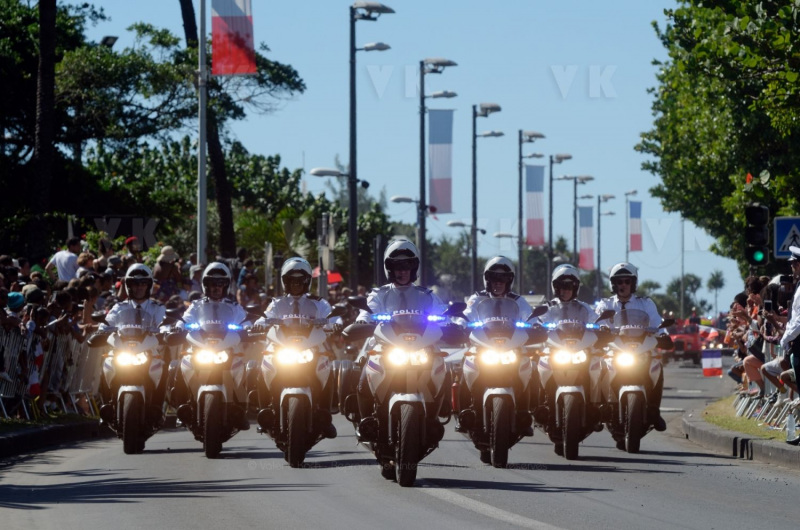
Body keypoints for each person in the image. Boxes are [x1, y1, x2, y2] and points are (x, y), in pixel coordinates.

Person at [355, 239, 447, 438]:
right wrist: (363, 321)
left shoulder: (427, 295)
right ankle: (365, 421)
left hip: (421, 347)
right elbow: (367, 312)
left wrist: (452, 321)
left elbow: (443, 313)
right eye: (397, 266)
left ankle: (433, 417)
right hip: (387, 347)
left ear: (414, 267)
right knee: (363, 374)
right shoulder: (379, 294)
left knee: (442, 369)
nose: (402, 270)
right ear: (390, 268)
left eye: (407, 265)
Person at [253, 257, 339, 438]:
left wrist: (336, 323)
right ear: (285, 282)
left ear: (307, 281)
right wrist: (259, 324)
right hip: (282, 348)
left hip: (311, 349)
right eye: (292, 280)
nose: (296, 284)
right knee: (263, 366)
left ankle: (325, 415)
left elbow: (332, 316)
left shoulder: (319, 302)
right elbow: (264, 317)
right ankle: (265, 410)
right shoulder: (276, 303)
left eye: (300, 280)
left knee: (327, 366)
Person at [457, 256, 534, 435]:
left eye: (503, 279)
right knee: (465, 367)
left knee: (530, 370)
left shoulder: (518, 300)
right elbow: (467, 314)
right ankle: (464, 413)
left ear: (509, 280)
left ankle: (524, 414)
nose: (498, 283)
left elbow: (530, 316)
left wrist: (535, 324)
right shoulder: (477, 298)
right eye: (494, 278)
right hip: (483, 346)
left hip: (511, 347)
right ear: (487, 279)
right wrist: (461, 322)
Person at [171, 262, 250, 430]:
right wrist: (178, 327)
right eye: (212, 283)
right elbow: (184, 320)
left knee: (247, 367)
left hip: (227, 350)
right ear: (205, 285)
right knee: (178, 366)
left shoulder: (234, 306)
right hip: (201, 348)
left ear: (226, 285)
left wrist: (249, 328)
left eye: (220, 284)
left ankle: (241, 409)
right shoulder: (196, 305)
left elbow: (245, 321)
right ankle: (181, 407)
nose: (216, 287)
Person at [595, 262, 669, 433]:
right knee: (597, 365)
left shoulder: (646, 303)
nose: (623, 285)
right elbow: (596, 322)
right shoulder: (605, 305)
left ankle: (653, 410)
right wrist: (600, 331)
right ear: (613, 284)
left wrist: (663, 334)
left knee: (657, 365)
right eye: (620, 282)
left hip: (640, 349)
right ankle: (598, 409)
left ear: (633, 283)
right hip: (615, 350)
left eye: (627, 281)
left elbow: (657, 323)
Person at [98, 264, 168, 424]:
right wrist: (102, 328)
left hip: (148, 351)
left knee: (164, 368)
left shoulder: (157, 307)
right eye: (135, 284)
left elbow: (164, 323)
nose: (139, 287)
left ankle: (157, 408)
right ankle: (107, 405)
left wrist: (165, 330)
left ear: (149, 285)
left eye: (143, 283)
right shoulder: (119, 307)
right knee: (106, 364)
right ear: (129, 286)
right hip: (123, 350)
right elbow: (107, 322)